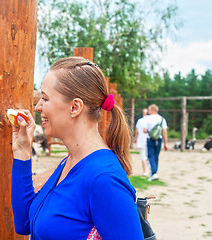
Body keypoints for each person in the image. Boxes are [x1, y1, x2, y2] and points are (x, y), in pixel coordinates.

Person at [11, 57, 143, 239]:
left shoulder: (104, 179)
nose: (38, 106)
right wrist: (22, 152)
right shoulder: (70, 161)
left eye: (45, 98)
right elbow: (25, 222)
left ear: (74, 107)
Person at [143, 104, 168, 181]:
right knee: (156, 156)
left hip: (150, 139)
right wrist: (165, 143)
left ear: (153, 110)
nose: (148, 111)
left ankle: (153, 173)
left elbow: (144, 130)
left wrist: (148, 131)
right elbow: (164, 132)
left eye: (149, 110)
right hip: (159, 139)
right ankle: (154, 172)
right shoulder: (162, 119)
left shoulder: (147, 119)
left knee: (150, 156)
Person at [134, 108, 150, 176]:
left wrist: (135, 138)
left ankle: (144, 171)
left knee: (143, 156)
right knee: (148, 156)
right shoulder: (150, 120)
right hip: (149, 140)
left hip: (141, 140)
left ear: (143, 113)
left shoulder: (140, 121)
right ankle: (150, 170)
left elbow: (137, 131)